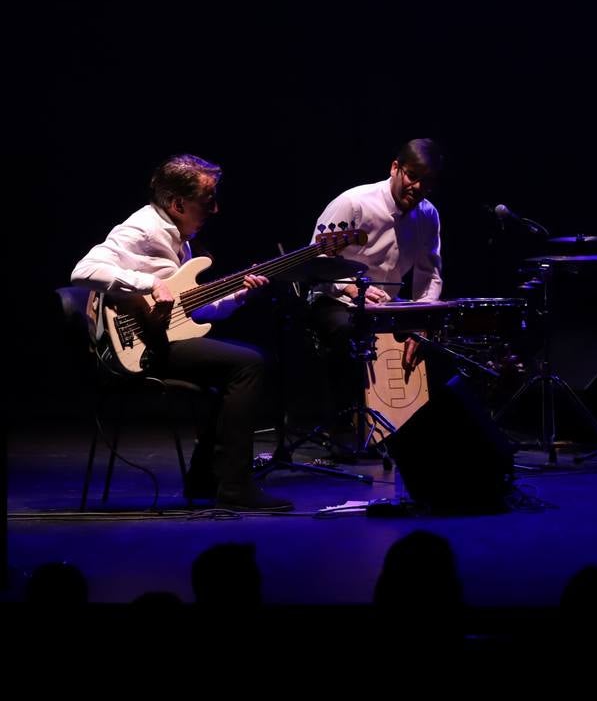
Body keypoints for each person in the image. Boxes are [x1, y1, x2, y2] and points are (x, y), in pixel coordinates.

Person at [71, 153, 293, 510]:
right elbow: (83, 271)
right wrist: (148, 284)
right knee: (249, 364)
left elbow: (191, 310)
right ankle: (234, 486)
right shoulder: (141, 228)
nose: (215, 209)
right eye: (208, 201)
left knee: (238, 363)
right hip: (134, 349)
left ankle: (204, 479)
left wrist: (239, 295)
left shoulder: (179, 236)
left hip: (158, 337)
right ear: (178, 203)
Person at [306, 139, 445, 424]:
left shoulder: (428, 215)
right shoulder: (353, 203)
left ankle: (412, 430)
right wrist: (349, 286)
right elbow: (316, 263)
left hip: (385, 306)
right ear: (395, 168)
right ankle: (344, 430)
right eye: (413, 176)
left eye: (427, 182)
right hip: (335, 298)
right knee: (346, 331)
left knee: (439, 341)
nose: (418, 188)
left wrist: (421, 321)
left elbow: (429, 274)